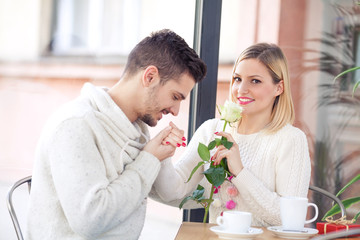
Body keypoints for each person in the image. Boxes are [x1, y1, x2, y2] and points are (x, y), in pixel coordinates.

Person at [26, 29, 206, 240]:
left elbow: (166, 191)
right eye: (175, 96)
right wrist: (149, 159)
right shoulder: (75, 125)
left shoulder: (137, 130)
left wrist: (161, 156)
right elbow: (91, 219)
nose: (175, 111)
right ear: (150, 77)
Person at [151, 43, 311, 227]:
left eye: (255, 81)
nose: (241, 89)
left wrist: (240, 172)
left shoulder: (291, 140)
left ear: (279, 88)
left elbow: (289, 220)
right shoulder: (212, 130)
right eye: (237, 79)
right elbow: (174, 191)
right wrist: (163, 157)